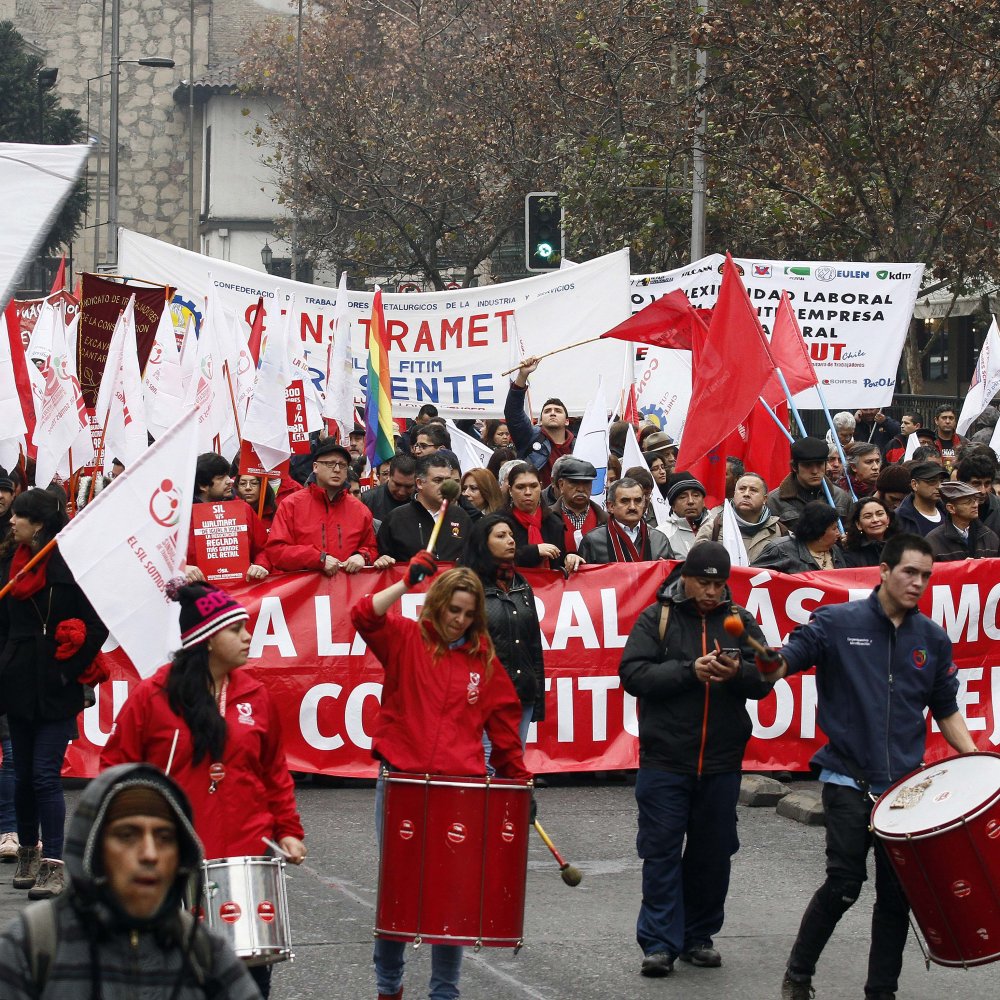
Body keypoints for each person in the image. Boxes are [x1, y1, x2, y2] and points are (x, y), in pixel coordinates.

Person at [759, 534, 978, 1000]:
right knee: (844, 885)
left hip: (904, 790)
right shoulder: (837, 622)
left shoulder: (932, 639)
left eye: (925, 576)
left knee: (897, 899)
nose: (917, 583)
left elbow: (946, 709)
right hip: (845, 780)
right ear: (883, 570)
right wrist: (767, 664)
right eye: (909, 572)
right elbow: (786, 661)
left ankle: (882, 992)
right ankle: (798, 975)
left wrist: (981, 765)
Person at [102, 582, 306, 998]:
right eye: (237, 629)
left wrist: (288, 830)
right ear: (208, 639)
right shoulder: (153, 697)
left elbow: (273, 772)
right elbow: (114, 769)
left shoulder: (256, 694)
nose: (248, 636)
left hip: (247, 851)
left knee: (250, 975)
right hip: (174, 862)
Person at [351, 559, 531, 1000]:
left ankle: (444, 993)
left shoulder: (483, 661)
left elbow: (506, 734)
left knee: (451, 895)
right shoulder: (405, 639)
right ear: (436, 604)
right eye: (453, 609)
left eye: (469, 614)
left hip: (459, 790)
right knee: (399, 888)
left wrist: (521, 787)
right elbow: (362, 614)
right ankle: (388, 988)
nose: (460, 620)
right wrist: (403, 582)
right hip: (403, 782)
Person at [618, 542, 772, 978]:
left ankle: (698, 936)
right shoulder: (657, 618)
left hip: (722, 762)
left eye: (717, 583)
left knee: (713, 854)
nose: (709, 591)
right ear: (685, 578)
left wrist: (736, 673)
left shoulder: (739, 621)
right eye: (703, 582)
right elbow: (633, 674)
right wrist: (690, 671)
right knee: (661, 852)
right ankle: (659, 944)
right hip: (665, 759)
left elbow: (768, 674)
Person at [0, 762, 261, 999]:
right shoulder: (31, 943)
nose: (149, 854)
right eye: (127, 835)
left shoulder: (205, 951)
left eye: (164, 837)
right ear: (92, 849)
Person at [0, 488, 109, 900]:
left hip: (57, 686)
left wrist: (69, 667)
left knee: (45, 775)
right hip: (16, 683)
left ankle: (56, 863)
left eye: (19, 516)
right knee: (23, 775)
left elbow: (96, 625)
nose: (12, 522)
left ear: (39, 523)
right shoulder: (9, 565)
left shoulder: (72, 566)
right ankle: (28, 851)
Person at [461, 513, 545, 745]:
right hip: (483, 696)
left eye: (511, 535)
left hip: (522, 694)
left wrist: (536, 696)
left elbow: (533, 645)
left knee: (512, 769)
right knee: (487, 768)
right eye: (501, 536)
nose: (511, 540)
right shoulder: (467, 585)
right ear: (483, 543)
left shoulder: (520, 584)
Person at [267, 438, 390, 575]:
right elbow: (276, 551)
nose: (337, 469)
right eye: (330, 464)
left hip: (348, 591)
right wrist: (317, 558)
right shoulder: (291, 505)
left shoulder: (360, 509)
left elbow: (371, 548)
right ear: (315, 467)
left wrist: (362, 556)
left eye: (342, 465)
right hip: (305, 592)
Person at [187, 453, 269, 583]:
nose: (229, 480)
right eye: (220, 478)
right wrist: (182, 569)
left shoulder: (243, 509)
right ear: (203, 486)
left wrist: (261, 565)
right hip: (198, 595)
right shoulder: (182, 518)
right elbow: (165, 558)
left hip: (241, 593)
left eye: (227, 475)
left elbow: (264, 549)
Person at [377, 453, 472, 562]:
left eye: (448, 480)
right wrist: (382, 559)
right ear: (419, 483)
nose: (445, 486)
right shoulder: (397, 519)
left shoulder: (461, 517)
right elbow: (381, 558)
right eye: (438, 480)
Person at [505, 356, 575, 487]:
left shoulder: (578, 446)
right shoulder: (529, 437)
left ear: (567, 421)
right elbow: (513, 412)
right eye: (547, 411)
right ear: (541, 420)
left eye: (558, 411)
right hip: (536, 505)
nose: (553, 413)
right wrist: (522, 375)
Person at [505, 462, 581, 572]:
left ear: (541, 486)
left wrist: (570, 557)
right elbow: (495, 560)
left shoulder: (553, 521)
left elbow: (559, 559)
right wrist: (534, 551)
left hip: (550, 587)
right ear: (510, 490)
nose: (528, 492)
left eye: (533, 486)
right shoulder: (499, 522)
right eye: (520, 487)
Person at [695, 473, 787, 562]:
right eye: (742, 489)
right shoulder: (713, 527)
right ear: (734, 494)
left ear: (765, 499)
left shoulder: (780, 531)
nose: (746, 494)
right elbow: (695, 566)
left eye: (753, 490)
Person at [767, 436, 852, 531]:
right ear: (794, 467)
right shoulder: (775, 501)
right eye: (808, 465)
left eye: (819, 464)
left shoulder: (840, 497)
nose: (815, 471)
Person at [578, 478, 672, 563]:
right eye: (625, 501)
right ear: (610, 506)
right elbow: (585, 579)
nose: (632, 507)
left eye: (638, 500)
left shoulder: (659, 539)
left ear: (644, 504)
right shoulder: (593, 541)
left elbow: (673, 578)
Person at [753, 501, 847, 573]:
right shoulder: (780, 550)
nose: (838, 533)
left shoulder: (835, 550)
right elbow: (752, 578)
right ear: (819, 531)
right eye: (834, 529)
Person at [926, 480, 1000, 561]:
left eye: (975, 500)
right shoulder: (934, 540)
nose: (975, 505)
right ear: (951, 508)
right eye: (968, 502)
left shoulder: (989, 537)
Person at [549, 456, 608, 554]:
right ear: (561, 485)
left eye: (586, 483)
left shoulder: (605, 520)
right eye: (574, 483)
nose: (581, 489)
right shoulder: (547, 518)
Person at [654, 472, 709, 559]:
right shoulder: (661, 535)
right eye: (683, 497)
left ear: (703, 502)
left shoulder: (718, 526)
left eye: (696, 495)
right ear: (673, 506)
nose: (690, 501)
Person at [892, 461, 947, 536]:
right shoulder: (899, 518)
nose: (939, 486)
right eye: (932, 481)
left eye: (941, 481)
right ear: (914, 484)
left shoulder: (949, 512)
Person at [361, 453, 418, 524]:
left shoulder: (421, 501)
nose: (401, 492)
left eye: (408, 486)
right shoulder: (368, 499)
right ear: (389, 476)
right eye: (397, 484)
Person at [955, 449, 1000, 536]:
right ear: (962, 483)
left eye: (987, 484)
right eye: (976, 484)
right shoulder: (947, 507)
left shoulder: (998, 508)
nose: (983, 491)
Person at [842, 497, 893, 568]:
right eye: (868, 517)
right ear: (858, 524)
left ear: (888, 519)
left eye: (880, 514)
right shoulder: (850, 555)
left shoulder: (902, 546)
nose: (875, 520)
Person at [932, 403, 962, 472]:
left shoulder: (963, 442)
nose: (948, 421)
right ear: (936, 421)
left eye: (951, 418)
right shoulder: (930, 441)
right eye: (944, 418)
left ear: (955, 421)